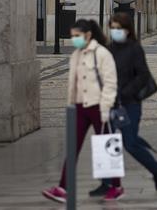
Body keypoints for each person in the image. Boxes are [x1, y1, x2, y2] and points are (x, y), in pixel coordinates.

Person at [42, 19, 122, 203]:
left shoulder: (102, 54)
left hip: (98, 106)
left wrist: (106, 107)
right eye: (72, 36)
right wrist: (70, 104)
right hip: (79, 107)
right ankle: (63, 187)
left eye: (77, 36)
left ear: (88, 35)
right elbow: (73, 83)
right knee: (73, 146)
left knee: (106, 147)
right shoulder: (76, 55)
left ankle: (116, 186)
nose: (74, 39)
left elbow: (110, 83)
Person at [88, 13, 157, 198]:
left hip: (129, 104)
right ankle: (107, 183)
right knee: (108, 141)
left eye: (119, 28)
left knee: (129, 143)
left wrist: (125, 92)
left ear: (128, 29)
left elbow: (143, 75)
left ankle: (156, 168)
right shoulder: (108, 50)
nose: (115, 31)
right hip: (110, 103)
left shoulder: (135, 49)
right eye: (112, 28)